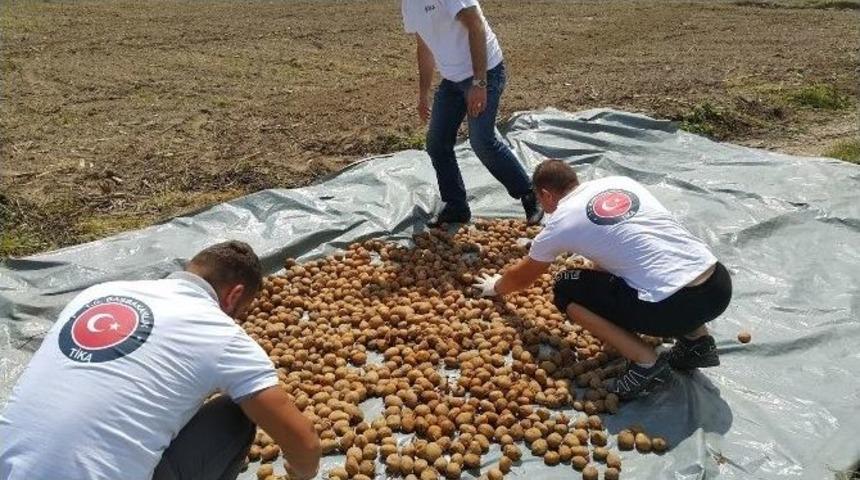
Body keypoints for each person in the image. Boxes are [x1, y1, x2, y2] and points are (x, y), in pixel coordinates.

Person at [0, 241, 321, 480]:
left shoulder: (96, 294)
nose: (237, 319)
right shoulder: (221, 335)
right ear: (234, 296)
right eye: (241, 311)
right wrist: (299, 474)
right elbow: (304, 445)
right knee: (234, 414)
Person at [473, 160, 732, 399]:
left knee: (565, 287)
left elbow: (524, 276)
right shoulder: (619, 183)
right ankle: (698, 343)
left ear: (546, 195)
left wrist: (495, 286)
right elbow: (629, 241)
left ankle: (645, 364)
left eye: (540, 200)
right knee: (663, 268)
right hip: (717, 284)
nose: (543, 208)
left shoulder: (560, 221)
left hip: (673, 307)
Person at [401, 0, 542, 226]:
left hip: (485, 70)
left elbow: (475, 25)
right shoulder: (410, 3)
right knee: (437, 143)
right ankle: (456, 206)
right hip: (452, 78)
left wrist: (479, 82)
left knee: (482, 140)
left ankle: (529, 193)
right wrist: (423, 93)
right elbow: (424, 47)